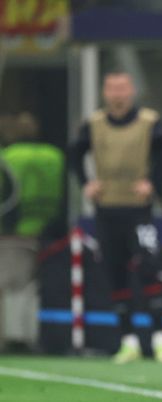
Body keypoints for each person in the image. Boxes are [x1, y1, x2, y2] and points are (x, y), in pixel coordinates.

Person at [70, 71, 162, 364]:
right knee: (114, 271)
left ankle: (160, 339)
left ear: (131, 91)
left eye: (122, 88)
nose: (117, 94)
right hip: (107, 209)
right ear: (104, 92)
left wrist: (154, 183)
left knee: (148, 266)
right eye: (112, 88)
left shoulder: (149, 121)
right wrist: (86, 182)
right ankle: (128, 340)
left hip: (138, 209)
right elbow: (74, 153)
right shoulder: (93, 124)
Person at [0, 112, 64, 352]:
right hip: (47, 231)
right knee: (34, 288)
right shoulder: (54, 156)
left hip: (14, 233)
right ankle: (33, 336)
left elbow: (7, 195)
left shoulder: (9, 157)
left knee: (9, 287)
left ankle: (11, 339)